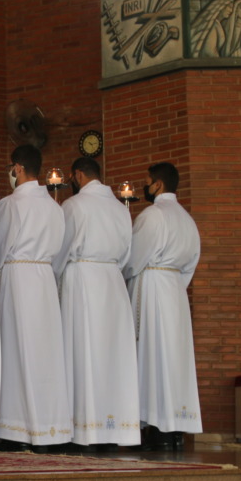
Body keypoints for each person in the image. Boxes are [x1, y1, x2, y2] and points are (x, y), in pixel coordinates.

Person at [53, 157, 141, 450]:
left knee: (81, 351)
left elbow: (60, 250)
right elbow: (127, 253)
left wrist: (54, 276)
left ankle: (82, 431)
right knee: (111, 356)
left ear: (78, 175)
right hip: (113, 281)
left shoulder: (73, 206)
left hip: (82, 280)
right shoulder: (120, 209)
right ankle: (110, 430)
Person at [0, 145, 70, 452]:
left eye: (12, 168)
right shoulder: (55, 207)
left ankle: (16, 431)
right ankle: (48, 431)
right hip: (45, 280)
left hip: (17, 279)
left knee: (15, 350)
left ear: (19, 168)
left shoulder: (10, 204)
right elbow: (60, 252)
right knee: (44, 355)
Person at [124, 163, 201, 451]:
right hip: (175, 291)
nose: (145, 187)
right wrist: (175, 286)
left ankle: (155, 426)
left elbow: (135, 259)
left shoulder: (153, 215)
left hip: (152, 286)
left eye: (147, 182)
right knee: (173, 357)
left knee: (151, 354)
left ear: (157, 184)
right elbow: (191, 263)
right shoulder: (187, 219)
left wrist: (123, 279)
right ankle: (175, 429)